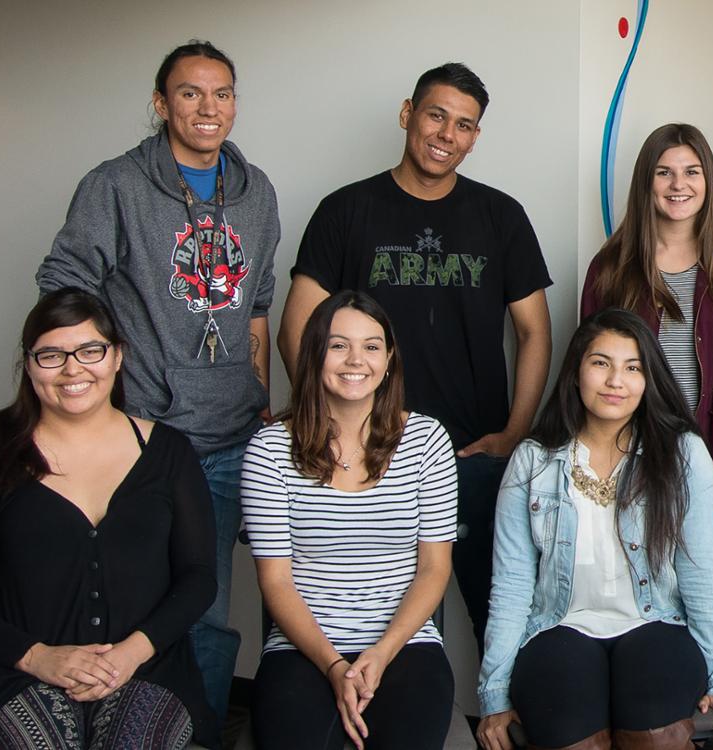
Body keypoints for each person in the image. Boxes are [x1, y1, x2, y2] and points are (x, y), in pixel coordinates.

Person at [35, 40, 281, 729]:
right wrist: (108, 370)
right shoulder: (115, 185)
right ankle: (113, 728)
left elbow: (256, 305)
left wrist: (259, 398)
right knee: (124, 597)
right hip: (141, 430)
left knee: (205, 605)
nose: (208, 108)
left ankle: (193, 734)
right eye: (190, 93)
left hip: (233, 432)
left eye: (222, 93)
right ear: (160, 103)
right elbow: (63, 284)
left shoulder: (255, 190)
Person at [277, 62, 552, 653]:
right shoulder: (345, 211)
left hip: (474, 452)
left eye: (464, 125)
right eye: (436, 115)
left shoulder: (500, 216)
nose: (446, 134)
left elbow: (534, 332)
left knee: (499, 607)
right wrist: (326, 426)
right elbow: (297, 329)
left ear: (475, 137)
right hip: (367, 454)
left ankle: (501, 719)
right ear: (408, 115)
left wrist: (514, 433)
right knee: (364, 612)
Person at [0, 288, 217, 750]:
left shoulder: (169, 453)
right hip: (18, 673)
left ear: (117, 357)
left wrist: (130, 653)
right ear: (29, 365)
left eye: (90, 350)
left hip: (146, 670)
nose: (72, 369)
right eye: (51, 355)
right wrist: (37, 658)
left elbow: (198, 578)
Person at [477, 308, 713, 750]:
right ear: (576, 371)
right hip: (558, 626)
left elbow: (701, 576)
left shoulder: (683, 454)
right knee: (568, 732)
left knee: (655, 736)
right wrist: (493, 694)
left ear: (649, 379)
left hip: (656, 622)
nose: (615, 380)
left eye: (633, 367)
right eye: (601, 363)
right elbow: (511, 586)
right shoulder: (532, 460)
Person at [242, 291, 457, 750]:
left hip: (404, 642)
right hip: (304, 646)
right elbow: (275, 581)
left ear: (389, 358)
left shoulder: (427, 441)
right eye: (338, 345)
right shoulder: (268, 450)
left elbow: (434, 569)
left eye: (371, 346)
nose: (355, 360)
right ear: (314, 353)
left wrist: (380, 653)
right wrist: (335, 666)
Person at [581, 123, 713, 501]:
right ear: (646, 183)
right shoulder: (609, 270)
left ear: (709, 182)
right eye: (664, 172)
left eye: (691, 172)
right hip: (624, 467)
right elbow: (587, 378)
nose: (678, 184)